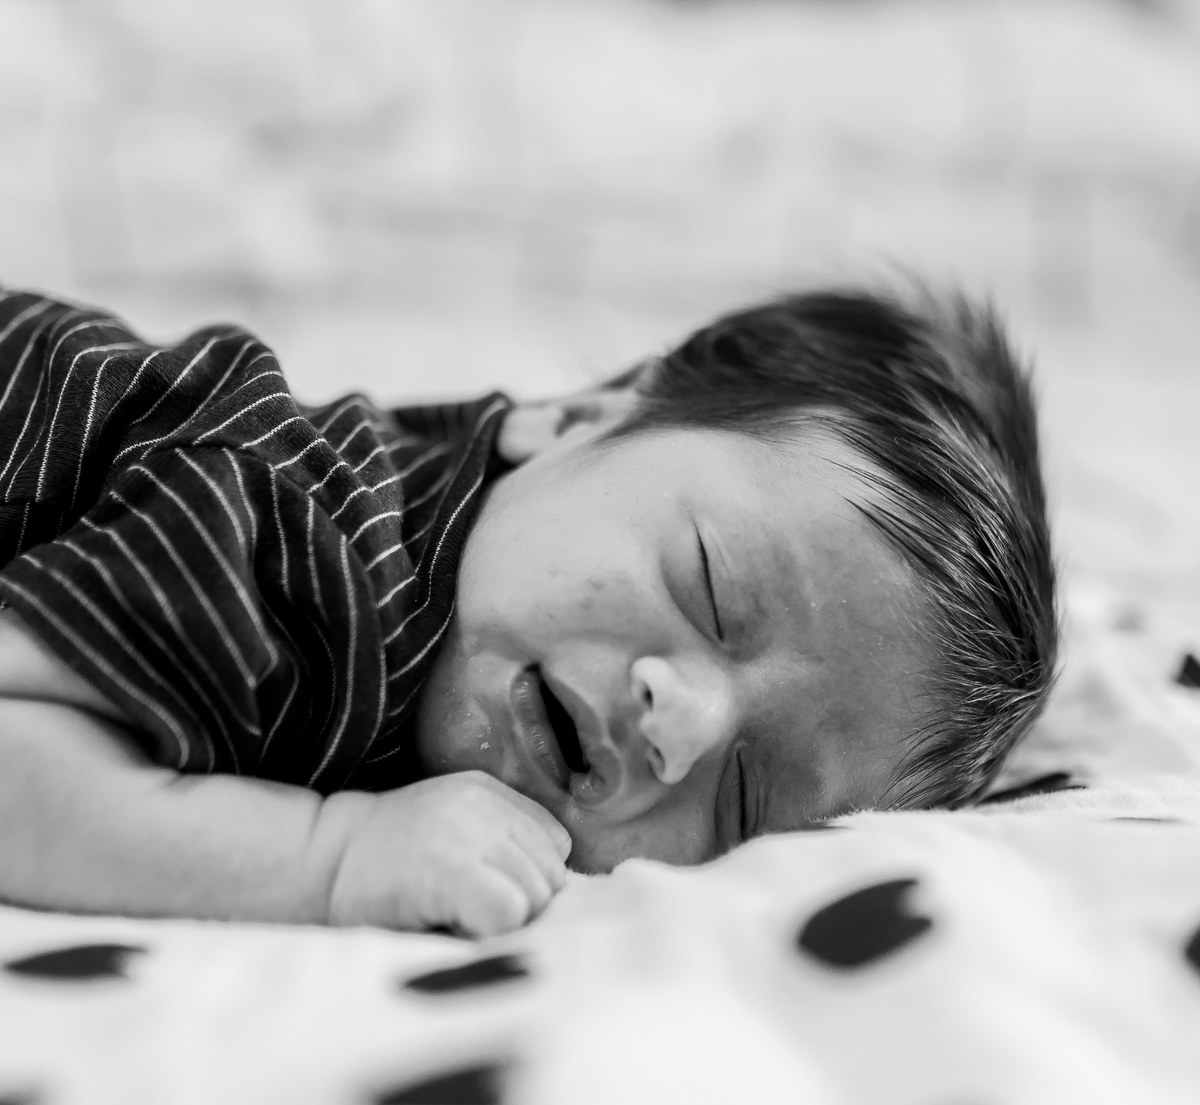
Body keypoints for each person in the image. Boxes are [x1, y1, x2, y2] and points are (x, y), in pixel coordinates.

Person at [0, 283, 1057, 937]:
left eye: (746, 794)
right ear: (573, 420)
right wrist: (333, 855)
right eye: (712, 587)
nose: (682, 728)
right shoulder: (297, 537)